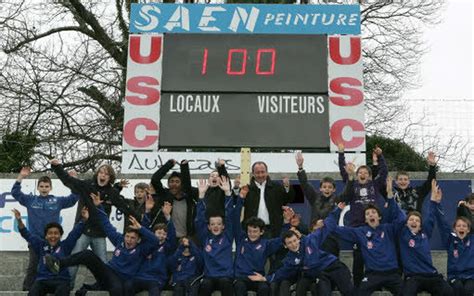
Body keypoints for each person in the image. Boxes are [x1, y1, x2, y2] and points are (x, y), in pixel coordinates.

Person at [45, 193, 159, 296]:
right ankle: (59, 263)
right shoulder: (119, 240)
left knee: (117, 290)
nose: (129, 240)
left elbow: (155, 241)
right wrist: (98, 206)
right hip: (108, 273)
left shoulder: (142, 249)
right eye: (127, 237)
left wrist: (140, 228)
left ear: (138, 240)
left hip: (122, 280)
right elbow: (106, 224)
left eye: (132, 238)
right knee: (87, 255)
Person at [49, 159, 139, 288]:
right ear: (97, 174)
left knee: (103, 265)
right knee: (74, 261)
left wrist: (142, 219)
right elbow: (68, 180)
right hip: (83, 231)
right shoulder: (87, 186)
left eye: (106, 174)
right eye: (101, 172)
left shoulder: (112, 192)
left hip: (100, 234)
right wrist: (57, 166)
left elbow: (126, 209)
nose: (103, 175)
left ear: (110, 178)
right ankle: (66, 288)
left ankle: (103, 288)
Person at [248, 203, 351, 296]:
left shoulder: (311, 239)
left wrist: (337, 210)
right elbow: (282, 272)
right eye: (289, 243)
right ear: (285, 246)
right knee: (323, 291)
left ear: (298, 238)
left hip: (334, 267)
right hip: (322, 275)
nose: (293, 244)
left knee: (348, 291)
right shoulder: (290, 259)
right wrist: (265, 278)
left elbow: (328, 225)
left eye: (294, 241)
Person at [11, 166, 79, 291]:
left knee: (56, 266)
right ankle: (26, 290)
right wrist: (21, 177)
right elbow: (15, 192)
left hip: (53, 242)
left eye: (46, 186)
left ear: (50, 188)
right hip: (36, 241)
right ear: (38, 187)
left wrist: (74, 179)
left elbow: (74, 198)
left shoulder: (57, 201)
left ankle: (57, 288)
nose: (44, 189)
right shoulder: (30, 200)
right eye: (41, 186)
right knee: (33, 266)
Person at [335, 177, 404, 296]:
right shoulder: (360, 231)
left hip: (392, 274)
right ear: (366, 219)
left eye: (373, 213)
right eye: (367, 214)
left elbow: (402, 218)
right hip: (373, 275)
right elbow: (336, 230)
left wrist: (390, 196)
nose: (370, 215)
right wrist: (334, 214)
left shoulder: (389, 228)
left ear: (379, 217)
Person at [338, 144, 387, 287]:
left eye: (366, 172)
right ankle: (358, 284)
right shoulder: (351, 184)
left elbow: (383, 172)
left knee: (375, 254)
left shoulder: (375, 184)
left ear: (370, 175)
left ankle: (378, 281)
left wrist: (380, 156)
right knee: (358, 257)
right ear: (357, 174)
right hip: (357, 228)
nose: (363, 174)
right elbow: (343, 171)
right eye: (360, 172)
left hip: (373, 227)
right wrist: (341, 153)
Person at [394, 179, 452, 295]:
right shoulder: (402, 234)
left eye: (417, 220)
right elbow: (398, 215)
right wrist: (392, 198)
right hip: (413, 277)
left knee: (448, 291)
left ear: (420, 225)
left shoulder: (425, 234)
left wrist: (433, 201)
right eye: (411, 220)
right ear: (406, 223)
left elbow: (431, 216)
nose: (414, 222)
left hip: (431, 275)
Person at [13, 206, 87, 296]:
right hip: (43, 280)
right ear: (46, 236)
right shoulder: (40, 245)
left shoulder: (65, 245)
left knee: (62, 292)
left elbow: (75, 233)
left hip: (61, 280)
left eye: (56, 233)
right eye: (50, 233)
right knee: (33, 292)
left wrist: (84, 219)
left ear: (60, 236)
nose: (53, 236)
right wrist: (19, 220)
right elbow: (26, 233)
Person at [233, 185, 286, 296]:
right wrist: (241, 198)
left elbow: (284, 239)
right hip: (241, 278)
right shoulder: (241, 239)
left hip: (257, 277)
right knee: (239, 287)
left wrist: (288, 222)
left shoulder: (266, 244)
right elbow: (235, 218)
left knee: (265, 289)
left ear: (261, 232)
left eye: (255, 231)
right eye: (250, 231)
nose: (252, 234)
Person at [195, 176, 236, 296]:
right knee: (205, 285)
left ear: (223, 226)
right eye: (212, 224)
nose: (216, 226)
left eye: (219, 224)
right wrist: (201, 196)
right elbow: (199, 220)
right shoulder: (205, 237)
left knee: (225, 284)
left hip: (225, 277)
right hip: (209, 277)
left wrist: (228, 193)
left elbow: (230, 215)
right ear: (208, 226)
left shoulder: (228, 236)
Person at [433, 182, 474, 296]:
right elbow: (442, 224)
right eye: (459, 226)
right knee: (456, 288)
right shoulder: (450, 239)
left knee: (468, 290)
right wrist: (437, 204)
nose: (461, 228)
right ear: (454, 229)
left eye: (464, 226)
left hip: (471, 276)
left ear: (468, 229)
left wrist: (464, 207)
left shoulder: (472, 240)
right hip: (454, 276)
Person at [296, 152, 340, 256]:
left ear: (334, 189)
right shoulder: (314, 197)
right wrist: (300, 167)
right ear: (320, 188)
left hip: (331, 238)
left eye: (330, 187)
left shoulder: (338, 200)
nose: (327, 189)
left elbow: (348, 191)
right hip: (315, 237)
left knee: (331, 265)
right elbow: (305, 185)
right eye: (324, 187)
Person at [131, 200, 176, 296]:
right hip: (141, 277)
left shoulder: (168, 246)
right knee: (126, 287)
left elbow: (172, 234)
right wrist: (147, 211)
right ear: (153, 234)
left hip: (157, 279)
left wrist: (168, 216)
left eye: (164, 234)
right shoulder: (146, 244)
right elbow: (144, 229)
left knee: (154, 292)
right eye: (159, 233)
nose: (162, 235)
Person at [150, 159, 199, 239]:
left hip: (187, 238)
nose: (174, 184)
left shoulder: (189, 197)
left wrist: (184, 167)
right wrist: (168, 165)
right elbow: (155, 180)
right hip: (168, 238)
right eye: (171, 181)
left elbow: (187, 185)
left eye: (177, 182)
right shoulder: (165, 195)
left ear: (182, 184)